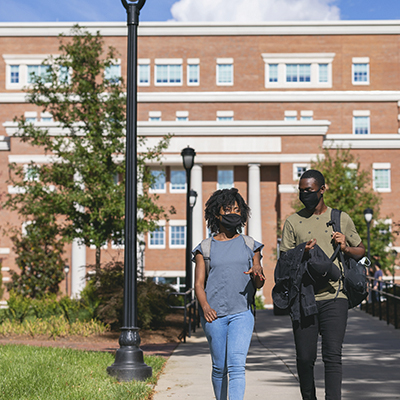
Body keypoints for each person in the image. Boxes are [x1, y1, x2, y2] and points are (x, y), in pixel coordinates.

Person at [277, 169, 365, 400]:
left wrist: (345, 247)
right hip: (304, 298)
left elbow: (361, 251)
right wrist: (301, 251)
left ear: (322, 190)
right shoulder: (292, 222)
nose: (304, 194)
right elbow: (284, 262)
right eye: (301, 190)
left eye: (309, 190)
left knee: (332, 355)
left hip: (335, 297)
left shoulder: (340, 218)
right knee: (305, 358)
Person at [193, 188, 264, 400]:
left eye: (237, 209)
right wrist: (205, 307)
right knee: (219, 367)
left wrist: (258, 275)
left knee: (236, 365)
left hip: (242, 313)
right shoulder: (204, 249)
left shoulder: (251, 245)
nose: (233, 213)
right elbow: (198, 284)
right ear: (217, 213)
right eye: (228, 209)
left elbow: (258, 282)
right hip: (214, 315)